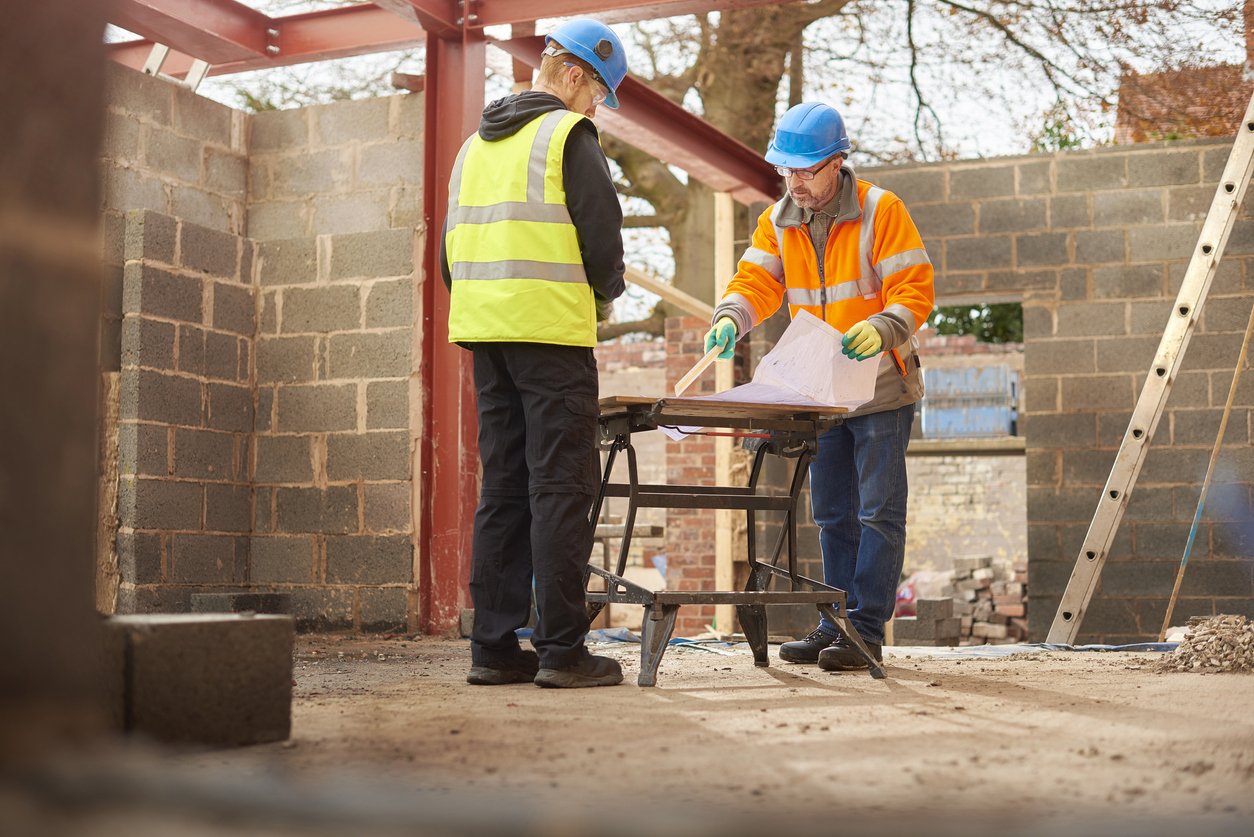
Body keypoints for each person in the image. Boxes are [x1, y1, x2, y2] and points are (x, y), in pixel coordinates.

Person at [704, 102, 935, 671]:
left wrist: (881, 328)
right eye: (787, 170)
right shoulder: (778, 219)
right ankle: (833, 621)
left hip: (882, 388)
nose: (795, 182)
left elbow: (914, 289)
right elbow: (757, 279)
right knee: (832, 513)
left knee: (878, 512)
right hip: (824, 394)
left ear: (837, 162)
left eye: (806, 170)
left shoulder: (883, 210)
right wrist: (732, 314)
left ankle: (865, 632)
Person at [441, 19, 629, 688]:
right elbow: (602, 241)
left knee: (504, 485)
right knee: (560, 486)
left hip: (486, 337)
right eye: (599, 91)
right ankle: (561, 650)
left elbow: (447, 256)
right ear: (573, 74)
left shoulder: (473, 147)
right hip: (550, 335)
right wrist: (605, 294)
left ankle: (493, 646)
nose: (596, 106)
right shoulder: (566, 136)